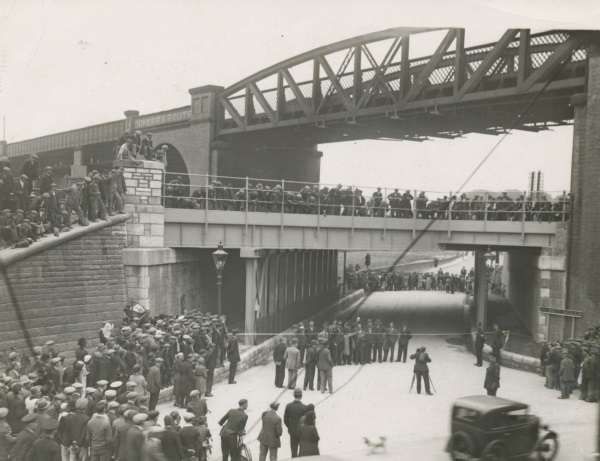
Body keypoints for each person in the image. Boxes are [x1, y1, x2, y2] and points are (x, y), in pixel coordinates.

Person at [284, 389, 307, 458]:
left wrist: (290, 426)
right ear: (301, 396)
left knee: (293, 451)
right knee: (301, 451)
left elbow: (285, 420)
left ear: (294, 395)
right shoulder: (304, 407)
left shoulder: (288, 406)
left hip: (292, 431)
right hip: (301, 432)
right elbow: (306, 421)